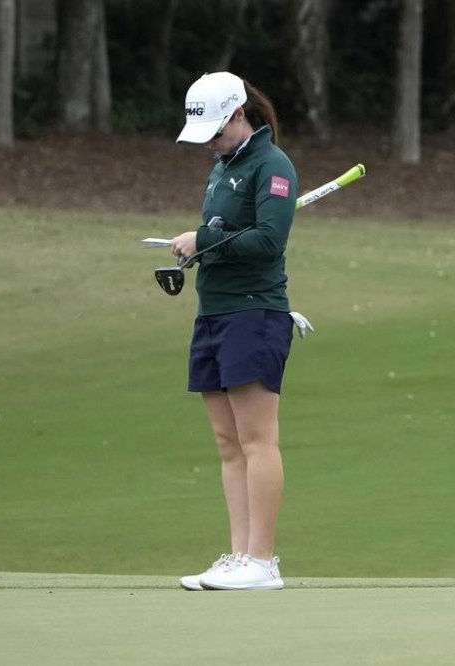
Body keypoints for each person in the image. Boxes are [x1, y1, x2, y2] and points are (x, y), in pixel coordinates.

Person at [170, 72, 299, 590]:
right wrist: (202, 244)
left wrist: (203, 238)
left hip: (254, 312)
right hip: (215, 312)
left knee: (256, 439)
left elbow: (269, 241)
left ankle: (262, 561)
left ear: (239, 116)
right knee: (227, 442)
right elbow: (228, 236)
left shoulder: (272, 164)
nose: (210, 144)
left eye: (215, 133)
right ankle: (240, 555)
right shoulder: (224, 166)